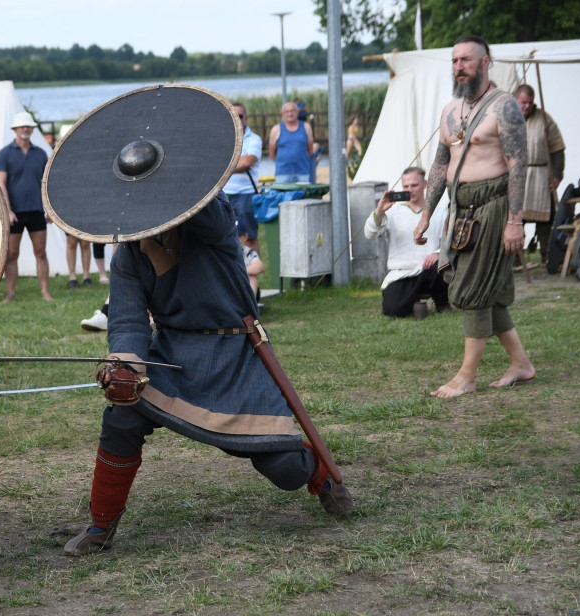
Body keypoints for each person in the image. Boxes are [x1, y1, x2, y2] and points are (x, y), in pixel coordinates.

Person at [64, 192, 353, 557]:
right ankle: (101, 524)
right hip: (172, 355)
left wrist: (181, 185)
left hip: (236, 355)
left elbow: (210, 213)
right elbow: (127, 320)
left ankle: (317, 474)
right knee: (123, 417)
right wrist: (125, 366)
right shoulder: (129, 255)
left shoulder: (211, 221)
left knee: (283, 468)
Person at [413, 35, 536, 398]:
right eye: (454, 61)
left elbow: (518, 167)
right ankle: (521, 363)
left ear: (486, 62)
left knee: (471, 290)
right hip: (459, 209)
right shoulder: (450, 111)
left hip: (493, 207)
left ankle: (466, 376)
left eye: (466, 59)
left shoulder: (505, 107)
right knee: (490, 292)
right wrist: (426, 214)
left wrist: (516, 221)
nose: (459, 66)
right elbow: (440, 164)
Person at [363, 167, 450, 317]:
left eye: (414, 185)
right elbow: (370, 233)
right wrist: (379, 211)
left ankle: (443, 304)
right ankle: (414, 302)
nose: (410, 189)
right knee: (392, 310)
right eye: (406, 186)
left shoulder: (440, 212)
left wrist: (438, 253)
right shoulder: (393, 212)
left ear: (424, 184)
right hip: (402, 272)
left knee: (440, 266)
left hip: (429, 269)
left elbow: (450, 242)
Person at [0, 111, 53, 302]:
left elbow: (47, 182)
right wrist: (8, 210)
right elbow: (1, 184)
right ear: (15, 129)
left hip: (36, 210)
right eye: (22, 126)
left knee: (40, 252)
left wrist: (50, 210)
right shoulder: (5, 153)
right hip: (15, 213)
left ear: (32, 129)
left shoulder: (41, 153)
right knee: (11, 254)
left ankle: (45, 292)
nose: (26, 129)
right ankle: (10, 293)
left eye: (28, 126)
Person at [513, 84, 565, 262]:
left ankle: (546, 254)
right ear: (515, 100)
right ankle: (516, 257)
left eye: (530, 102)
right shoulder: (507, 118)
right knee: (516, 218)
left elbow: (557, 149)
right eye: (523, 102)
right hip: (516, 175)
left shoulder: (544, 119)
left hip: (541, 175)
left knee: (545, 218)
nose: (527, 106)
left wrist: (557, 175)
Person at [223, 102, 263, 253]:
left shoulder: (254, 140)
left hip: (246, 195)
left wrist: (225, 165)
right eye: (232, 116)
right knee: (225, 237)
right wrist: (238, 162)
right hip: (224, 195)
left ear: (246, 118)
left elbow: (247, 163)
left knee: (249, 237)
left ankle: (253, 272)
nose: (236, 119)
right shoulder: (222, 138)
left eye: (239, 116)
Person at [268, 101, 315, 183]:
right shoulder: (276, 129)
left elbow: (310, 149)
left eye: (292, 111)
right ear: (283, 114)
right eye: (287, 111)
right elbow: (272, 153)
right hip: (282, 174)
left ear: (297, 112)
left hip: (302, 173)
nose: (290, 114)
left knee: (304, 196)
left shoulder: (306, 127)